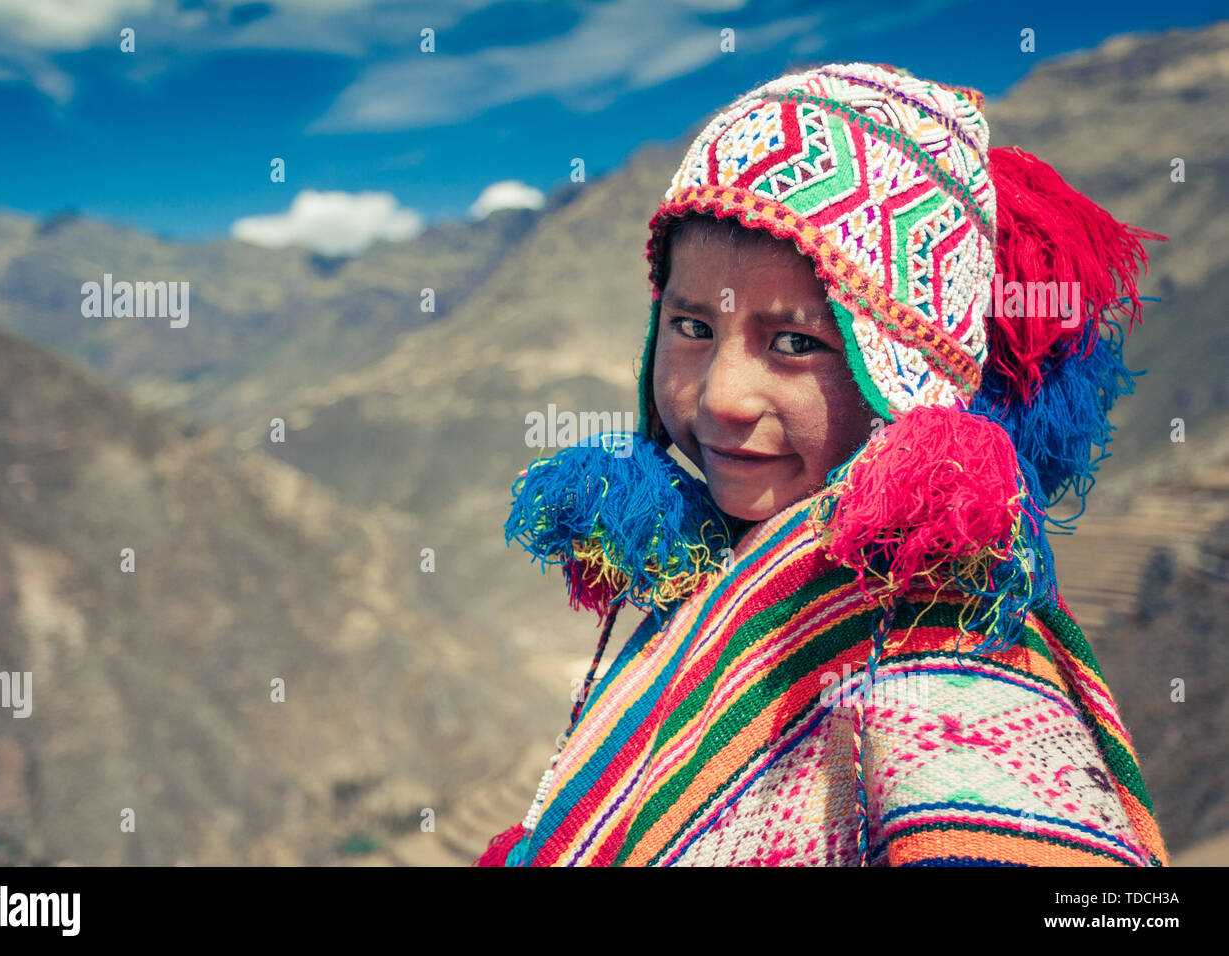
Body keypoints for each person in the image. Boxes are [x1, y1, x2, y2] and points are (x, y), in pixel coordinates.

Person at [475, 62, 1170, 866]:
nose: (724, 397)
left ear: (912, 379)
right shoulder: (715, 588)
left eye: (797, 343)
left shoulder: (946, 656)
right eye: (692, 328)